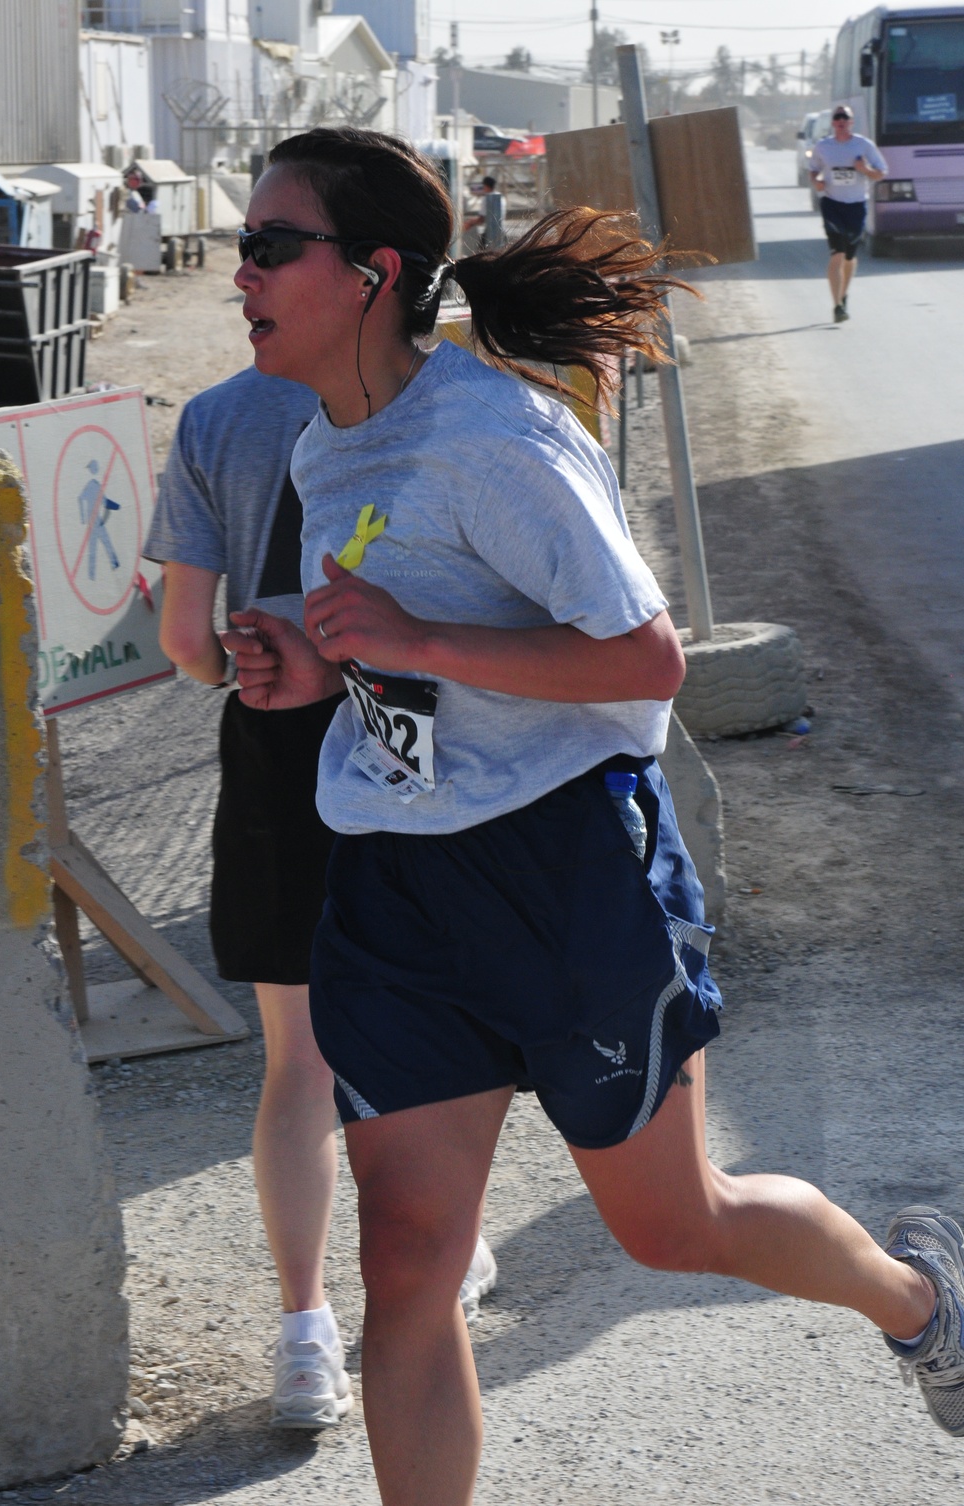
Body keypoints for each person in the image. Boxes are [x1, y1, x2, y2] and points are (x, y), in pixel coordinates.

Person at [225, 126, 964, 1504]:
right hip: (396, 885)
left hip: (566, 868)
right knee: (404, 1258)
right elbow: (406, 645)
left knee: (678, 1225)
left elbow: (645, 662)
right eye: (240, 246)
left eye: (271, 245)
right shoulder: (322, 442)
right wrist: (321, 664)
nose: (241, 273)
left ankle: (920, 1301)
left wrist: (417, 638)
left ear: (374, 274)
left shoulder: (501, 439)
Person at [144, 366, 497, 1430]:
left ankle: (306, 1335)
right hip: (421, 720)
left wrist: (234, 667)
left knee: (298, 1059)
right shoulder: (444, 389)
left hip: (276, 737)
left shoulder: (217, 417)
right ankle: (447, 1250)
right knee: (440, 1024)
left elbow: (184, 642)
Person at [810, 104, 887, 322]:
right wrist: (816, 181)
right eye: (837, 117)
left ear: (851, 122)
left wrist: (864, 170)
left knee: (850, 256)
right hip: (832, 204)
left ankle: (843, 296)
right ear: (833, 122)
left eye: (845, 117)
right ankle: (837, 307)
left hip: (856, 205)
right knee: (837, 254)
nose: (841, 121)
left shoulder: (863, 145)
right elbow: (813, 168)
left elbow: (881, 173)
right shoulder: (823, 146)